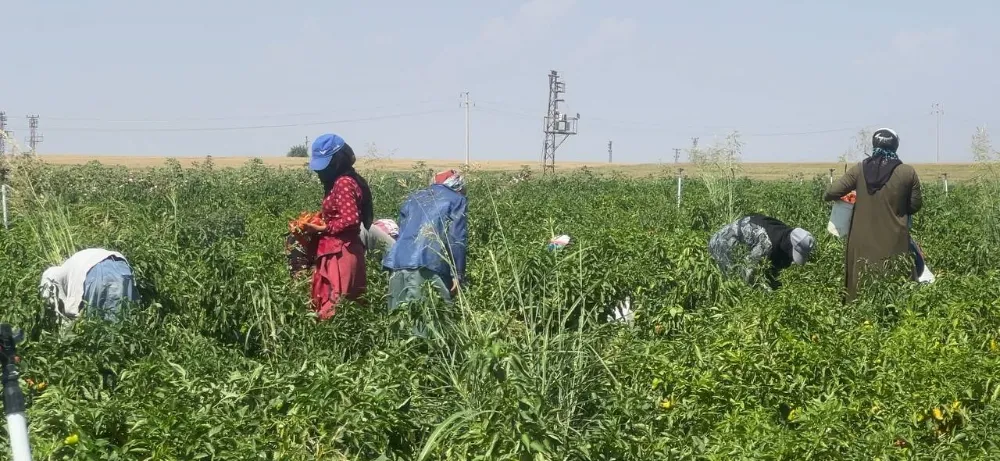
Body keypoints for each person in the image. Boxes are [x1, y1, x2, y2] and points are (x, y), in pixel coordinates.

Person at [824, 128, 922, 301]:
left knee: (859, 285)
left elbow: (831, 192)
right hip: (895, 240)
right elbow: (914, 206)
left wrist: (852, 197)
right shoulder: (907, 172)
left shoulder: (859, 170)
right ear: (895, 146)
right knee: (896, 284)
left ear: (874, 145)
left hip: (861, 239)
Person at [301, 133, 374, 320]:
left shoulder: (343, 183)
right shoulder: (345, 180)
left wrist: (322, 228)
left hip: (341, 252)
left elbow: (350, 219)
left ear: (337, 161)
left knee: (335, 307)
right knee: (342, 306)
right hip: (339, 249)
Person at [382, 169, 468, 311]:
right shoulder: (457, 200)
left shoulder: (413, 197)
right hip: (429, 263)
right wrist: (458, 275)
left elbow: (402, 230)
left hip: (397, 261)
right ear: (457, 185)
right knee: (431, 321)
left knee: (398, 320)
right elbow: (456, 239)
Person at [708, 214, 816, 290]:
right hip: (721, 245)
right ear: (790, 245)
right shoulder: (766, 243)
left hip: (738, 243)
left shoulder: (785, 233)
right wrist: (768, 291)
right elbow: (748, 271)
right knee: (734, 282)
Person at [39, 248, 139, 323]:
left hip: (97, 272)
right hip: (121, 266)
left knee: (98, 322)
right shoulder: (70, 266)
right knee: (127, 315)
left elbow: (66, 307)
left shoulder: (53, 277)